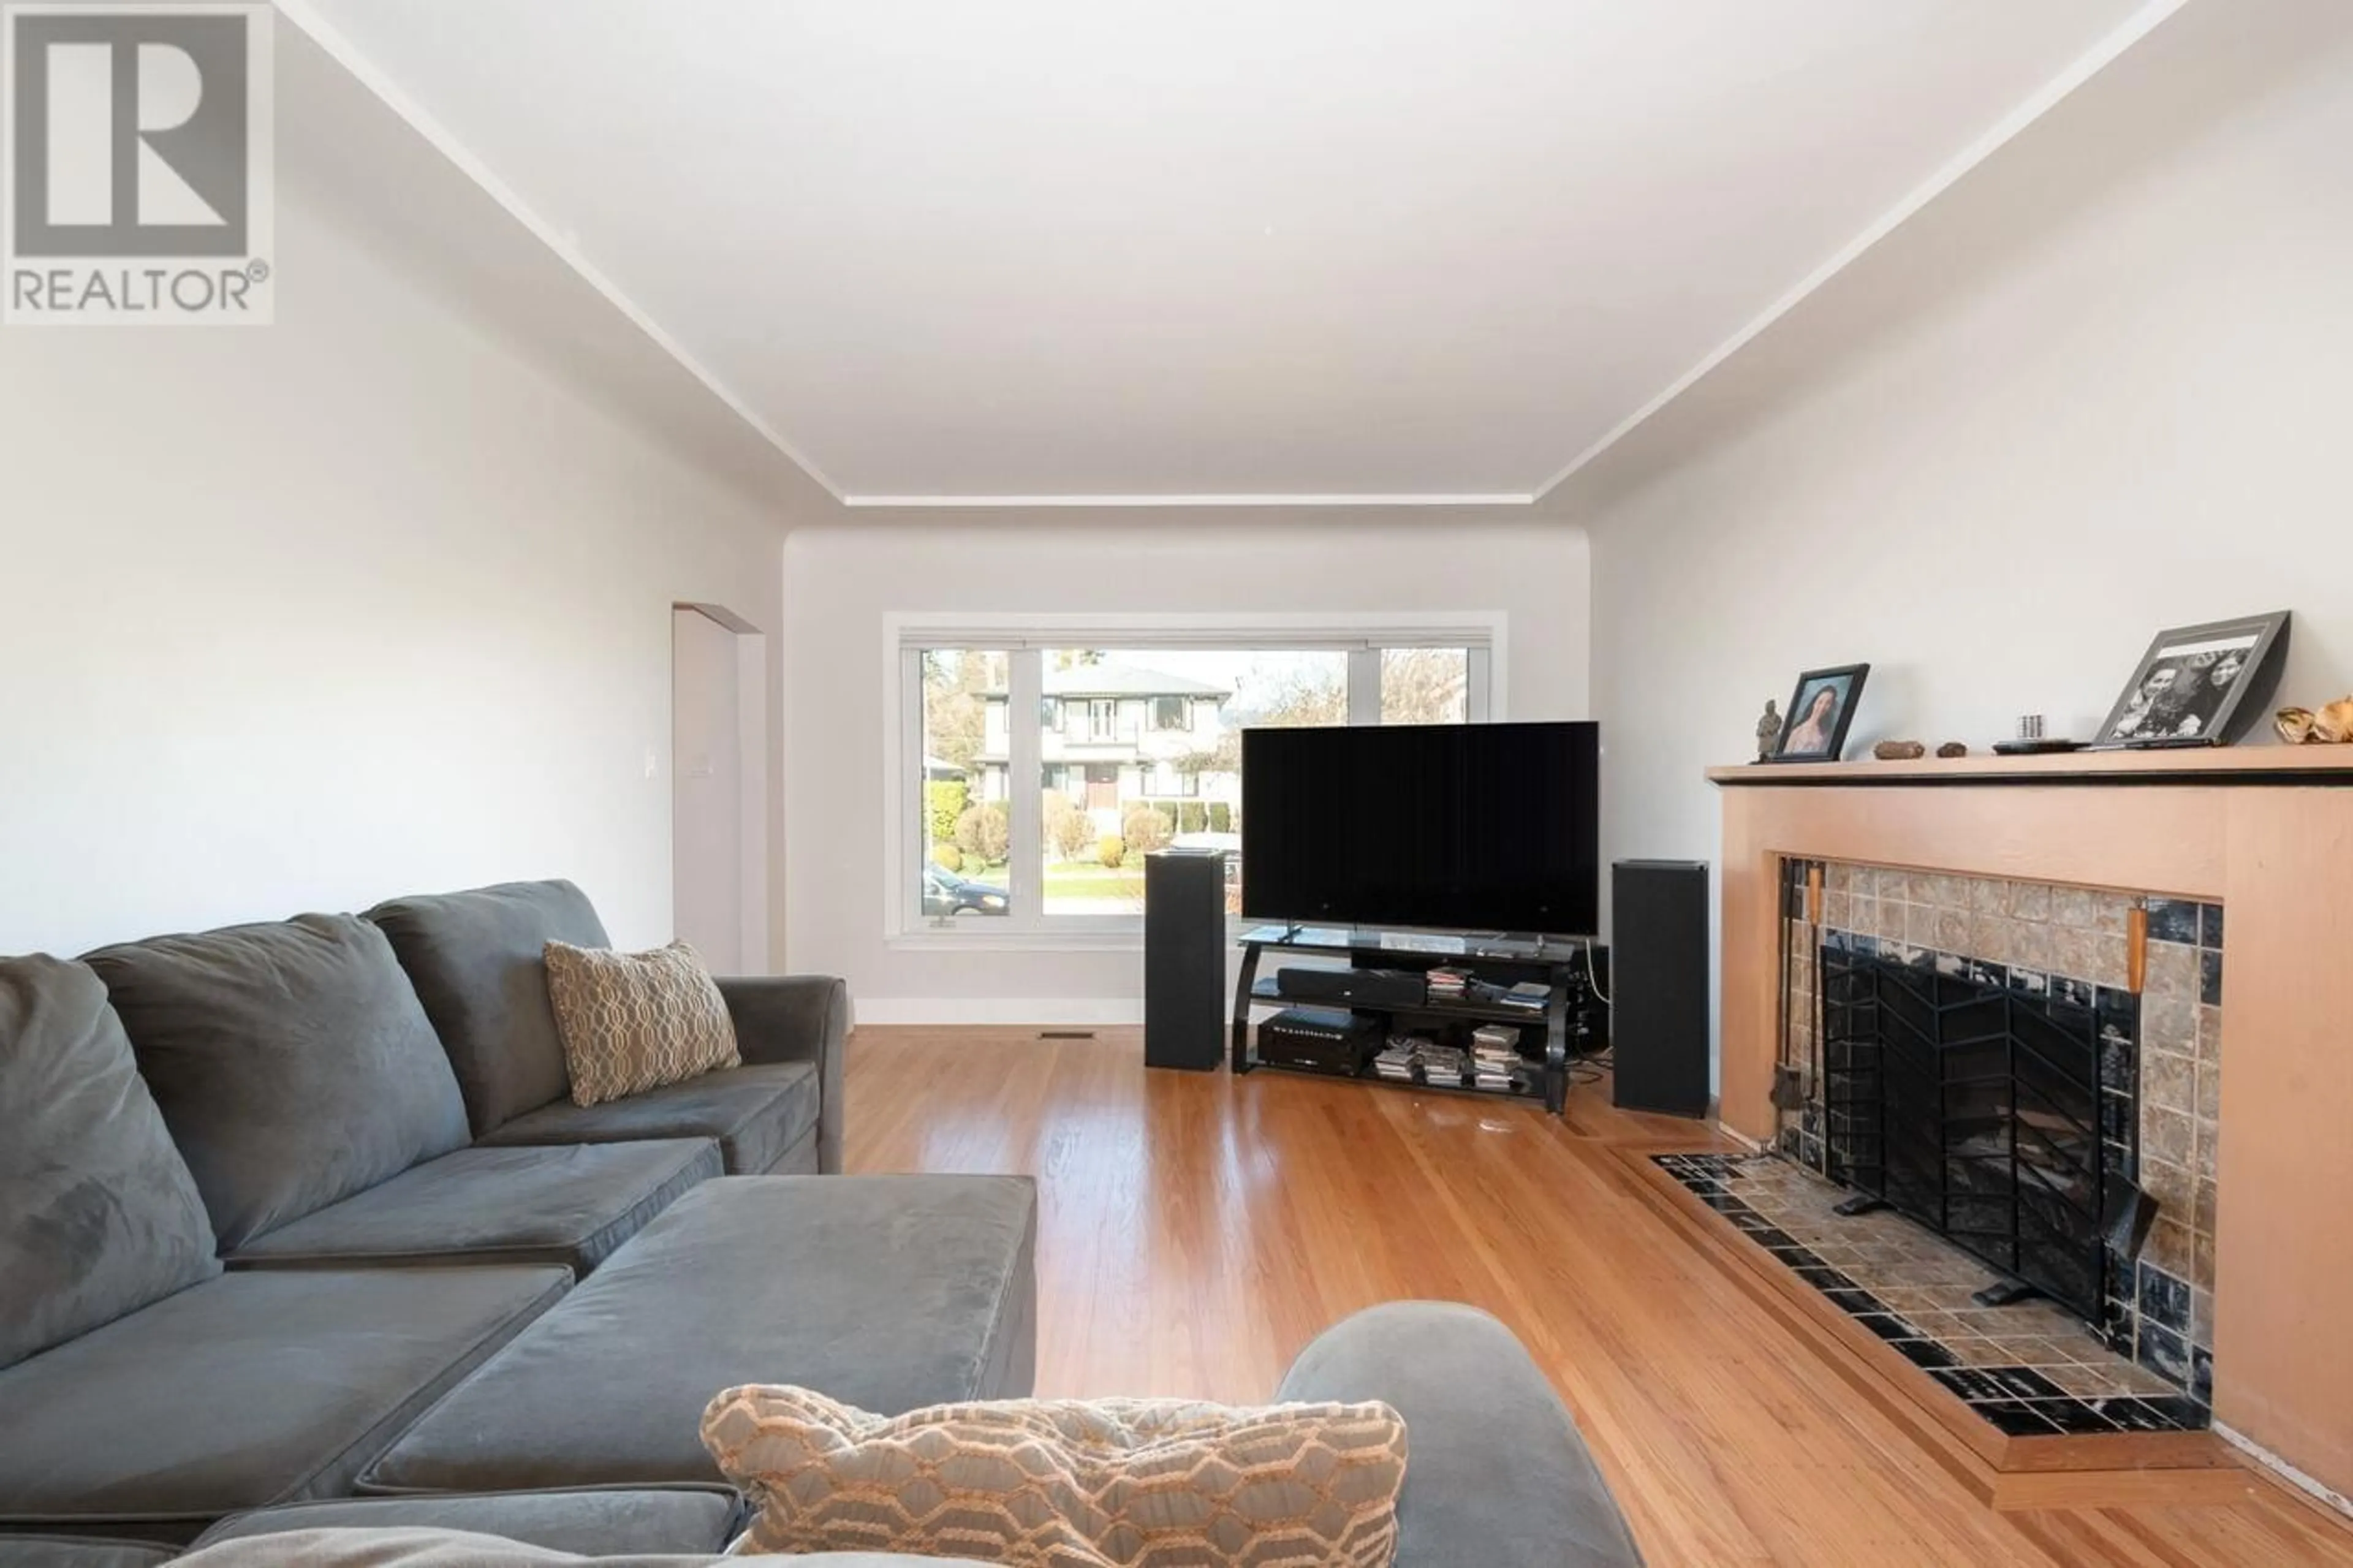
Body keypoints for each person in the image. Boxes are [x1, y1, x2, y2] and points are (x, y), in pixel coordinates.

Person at [1782, 684, 1841, 755]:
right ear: (1814, 703)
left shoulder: (1827, 735)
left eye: (1828, 703)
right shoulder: (1797, 732)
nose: (1822, 707)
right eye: (1820, 702)